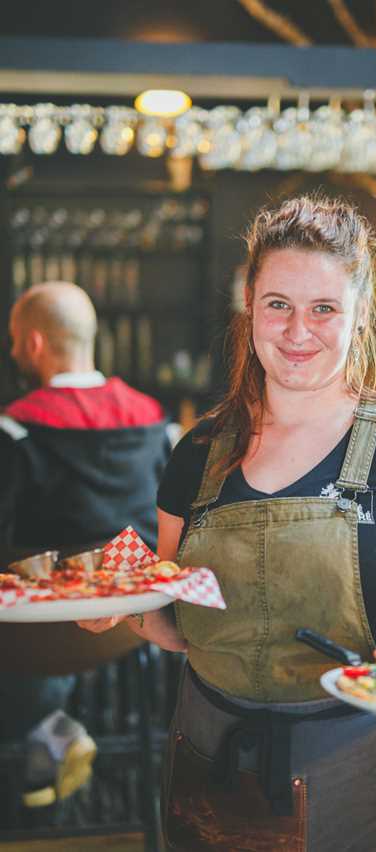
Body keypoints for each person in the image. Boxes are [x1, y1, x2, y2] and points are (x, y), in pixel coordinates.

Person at [80, 195, 376, 851]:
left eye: (324, 308)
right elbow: (173, 621)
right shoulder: (197, 453)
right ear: (250, 308)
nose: (299, 330)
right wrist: (119, 601)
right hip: (214, 770)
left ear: (359, 317)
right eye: (279, 305)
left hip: (369, 777)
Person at [0, 281, 171, 809]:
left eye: (12, 341)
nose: (10, 352)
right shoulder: (158, 423)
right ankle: (74, 731)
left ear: (32, 343)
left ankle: (48, 734)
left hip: (35, 639)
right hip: (137, 629)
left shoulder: (15, 431)